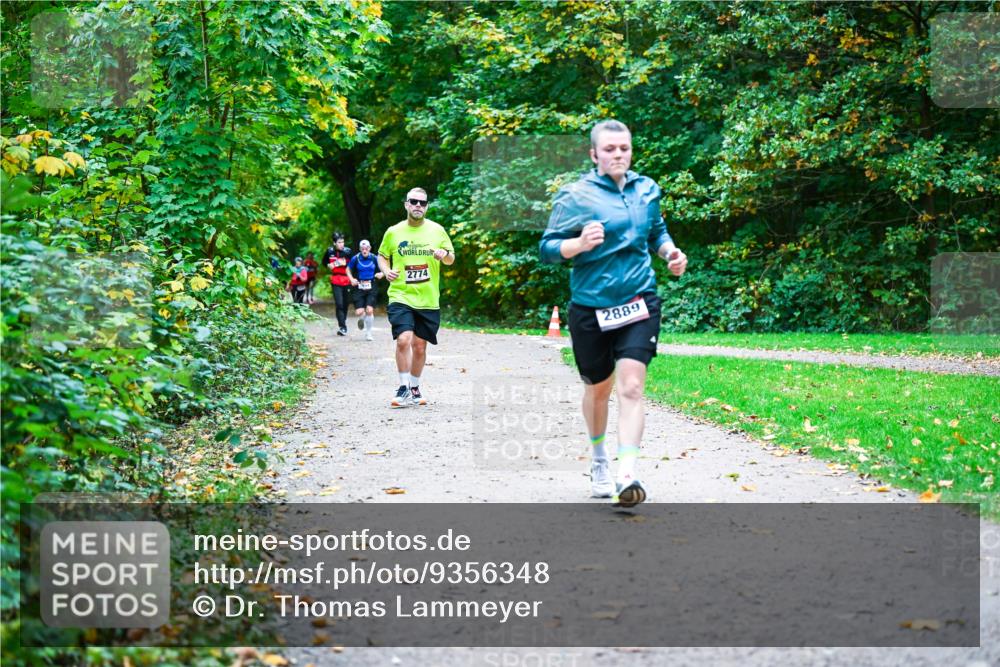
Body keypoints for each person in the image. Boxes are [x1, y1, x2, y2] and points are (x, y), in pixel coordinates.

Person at [539, 120, 688, 508]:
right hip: (591, 307)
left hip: (639, 301)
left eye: (624, 148)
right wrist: (578, 244)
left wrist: (670, 253)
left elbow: (656, 232)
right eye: (609, 149)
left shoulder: (646, 189)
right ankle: (599, 459)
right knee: (598, 389)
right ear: (594, 154)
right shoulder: (575, 195)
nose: (618, 154)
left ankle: (627, 474)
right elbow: (548, 249)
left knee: (632, 386)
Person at [377, 187, 455, 407]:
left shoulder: (437, 231)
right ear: (406, 205)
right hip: (401, 295)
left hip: (428, 298)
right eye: (413, 201)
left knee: (420, 346)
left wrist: (444, 254)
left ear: (427, 206)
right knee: (404, 339)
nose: (418, 205)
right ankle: (403, 387)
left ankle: (414, 387)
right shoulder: (393, 232)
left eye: (422, 202)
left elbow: (450, 259)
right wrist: (386, 271)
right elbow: (382, 256)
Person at [346, 239, 384, 341]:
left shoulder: (374, 258)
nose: (364, 250)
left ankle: (368, 333)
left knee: (369, 310)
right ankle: (362, 318)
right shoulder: (356, 258)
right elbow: (348, 269)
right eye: (362, 249)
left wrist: (381, 274)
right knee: (359, 312)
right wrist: (351, 279)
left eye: (366, 248)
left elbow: (384, 268)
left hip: (372, 285)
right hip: (359, 286)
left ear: (369, 248)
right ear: (360, 249)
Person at [323, 233, 352, 335]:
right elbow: (324, 262)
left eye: (343, 242)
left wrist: (344, 263)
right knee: (339, 304)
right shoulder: (329, 251)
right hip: (335, 280)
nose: (341, 244)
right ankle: (342, 327)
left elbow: (353, 264)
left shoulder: (348, 251)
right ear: (334, 243)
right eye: (339, 242)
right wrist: (328, 265)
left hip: (346, 279)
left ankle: (342, 320)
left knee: (346, 303)